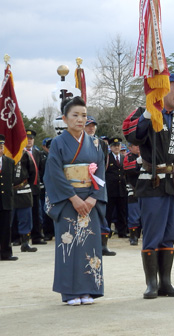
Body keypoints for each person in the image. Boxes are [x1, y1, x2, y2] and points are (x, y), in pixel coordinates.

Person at [123, 72, 174, 299]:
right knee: (153, 232)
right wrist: (147, 112)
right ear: (162, 87)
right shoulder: (149, 114)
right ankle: (151, 283)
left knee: (170, 233)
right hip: (152, 181)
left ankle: (166, 282)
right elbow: (132, 135)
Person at [44, 96, 107, 305]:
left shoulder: (95, 143)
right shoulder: (58, 143)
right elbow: (53, 174)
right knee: (68, 244)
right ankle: (70, 292)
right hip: (68, 201)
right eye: (75, 115)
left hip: (89, 200)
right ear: (65, 118)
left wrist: (92, 198)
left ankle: (89, 289)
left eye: (83, 115)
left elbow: (100, 173)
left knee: (90, 245)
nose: (80, 120)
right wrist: (73, 198)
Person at [84, 116, 115, 256]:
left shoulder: (101, 143)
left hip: (98, 181)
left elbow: (105, 163)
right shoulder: (78, 142)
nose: (91, 128)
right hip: (82, 183)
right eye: (88, 125)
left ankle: (103, 245)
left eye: (93, 125)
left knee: (101, 213)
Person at [12, 135, 39, 252]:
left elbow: (33, 172)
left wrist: (31, 187)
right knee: (7, 219)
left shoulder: (26, 154)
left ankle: (25, 243)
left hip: (23, 190)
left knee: (25, 218)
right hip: (8, 191)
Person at [24, 130, 46, 245]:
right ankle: (19, 238)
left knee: (36, 214)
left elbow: (42, 169)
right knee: (23, 214)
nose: (29, 141)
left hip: (35, 187)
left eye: (31, 139)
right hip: (22, 188)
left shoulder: (37, 153)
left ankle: (36, 237)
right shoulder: (20, 153)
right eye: (27, 139)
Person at [105, 137, 128, 238]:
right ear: (110, 147)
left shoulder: (123, 157)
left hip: (121, 189)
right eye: (114, 146)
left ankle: (122, 232)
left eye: (118, 145)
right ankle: (106, 232)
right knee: (108, 212)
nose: (116, 147)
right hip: (110, 189)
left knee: (122, 212)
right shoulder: (107, 157)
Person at [0, 135, 17, 261]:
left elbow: (11, 181)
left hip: (5, 200)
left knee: (6, 228)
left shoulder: (10, 162)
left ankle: (6, 253)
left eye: (1, 147)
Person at [123, 142, 142, 245]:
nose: (138, 146)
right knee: (134, 215)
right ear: (130, 147)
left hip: (145, 189)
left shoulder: (146, 154)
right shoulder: (128, 157)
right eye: (136, 145)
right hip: (133, 189)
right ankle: (133, 237)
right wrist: (137, 163)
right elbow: (127, 168)